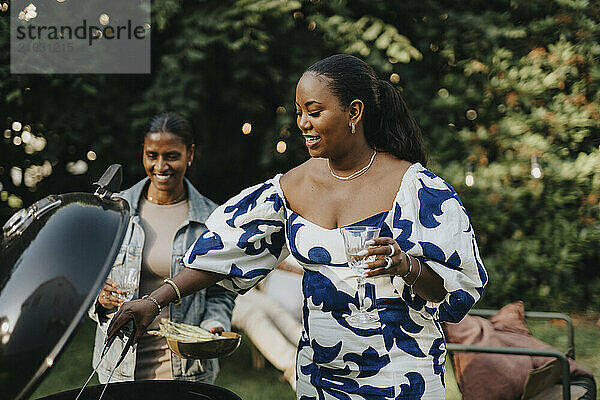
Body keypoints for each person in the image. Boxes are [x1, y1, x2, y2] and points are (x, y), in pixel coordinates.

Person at [108, 54, 488, 399]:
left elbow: (454, 293)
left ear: (354, 112)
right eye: (299, 111)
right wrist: (153, 300)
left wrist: (406, 265)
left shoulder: (418, 189)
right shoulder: (292, 186)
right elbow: (223, 250)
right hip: (319, 379)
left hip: (402, 375)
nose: (302, 123)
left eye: (315, 111)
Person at [89, 112, 236, 384]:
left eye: (171, 156)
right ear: (142, 154)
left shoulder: (212, 220)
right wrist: (98, 298)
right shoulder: (115, 212)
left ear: (190, 154)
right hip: (119, 367)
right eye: (152, 155)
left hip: (187, 370)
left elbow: (220, 292)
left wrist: (214, 326)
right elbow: (88, 279)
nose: (160, 166)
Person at [231, 257, 304, 391]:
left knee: (271, 306)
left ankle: (309, 346)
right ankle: (293, 366)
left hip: (227, 290)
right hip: (205, 301)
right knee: (252, 314)